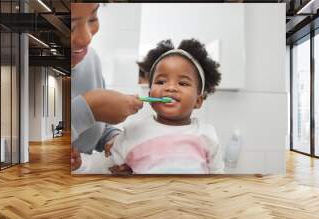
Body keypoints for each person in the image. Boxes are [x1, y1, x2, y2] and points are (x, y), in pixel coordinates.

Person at [107, 39, 224, 174]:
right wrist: (117, 173)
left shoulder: (207, 134)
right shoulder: (132, 131)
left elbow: (217, 178)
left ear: (198, 101)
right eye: (161, 81)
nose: (170, 88)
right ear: (150, 95)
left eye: (183, 83)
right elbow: (110, 167)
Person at [71, 3, 143, 172]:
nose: (86, 38)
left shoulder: (91, 59)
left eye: (93, 18)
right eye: (71, 26)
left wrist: (113, 139)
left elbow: (92, 131)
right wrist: (89, 108)